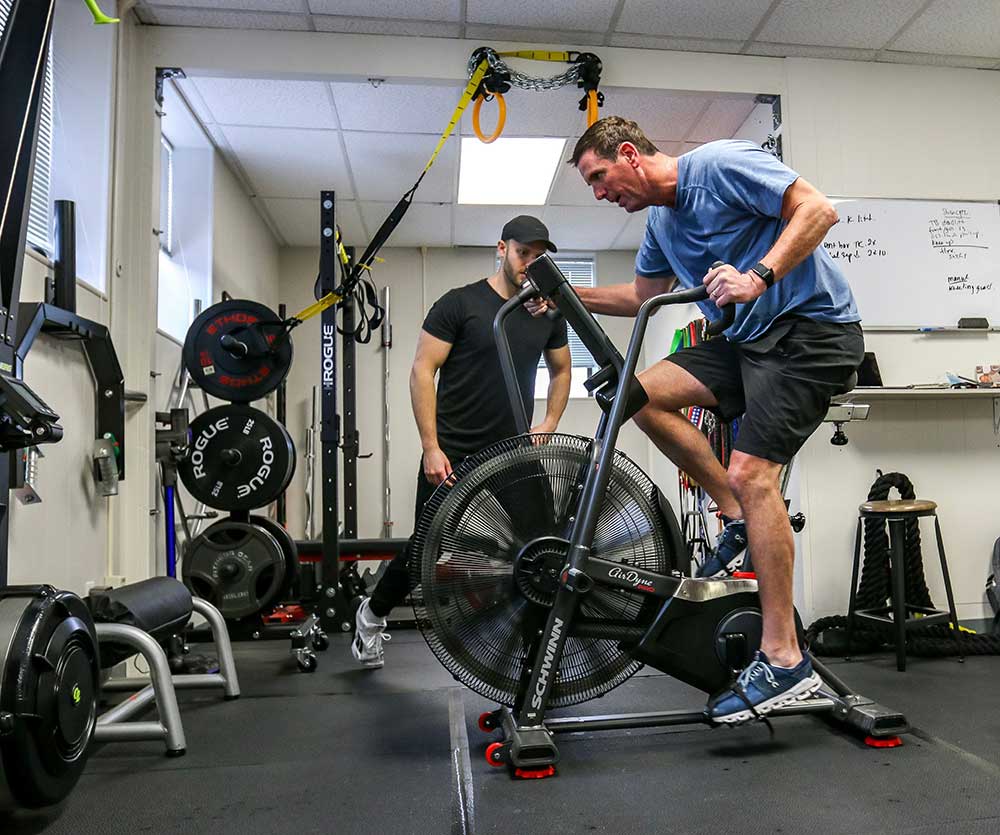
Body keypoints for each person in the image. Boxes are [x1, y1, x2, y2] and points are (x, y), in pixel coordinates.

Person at [561, 116, 863, 723]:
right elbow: (644, 296)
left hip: (811, 333)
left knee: (757, 475)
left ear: (629, 154)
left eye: (599, 178)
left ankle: (784, 660)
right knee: (634, 394)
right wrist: (565, 291)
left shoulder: (718, 165)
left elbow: (819, 210)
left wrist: (758, 275)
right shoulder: (661, 224)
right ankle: (733, 511)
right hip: (747, 342)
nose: (600, 193)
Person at [352, 215, 572, 668]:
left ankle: (532, 652)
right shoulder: (460, 304)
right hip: (454, 449)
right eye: (522, 252)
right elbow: (421, 370)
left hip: (515, 451)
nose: (530, 263)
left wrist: (548, 421)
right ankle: (371, 618)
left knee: (539, 549)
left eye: (538, 255)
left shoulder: (547, 314)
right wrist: (431, 447)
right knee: (423, 552)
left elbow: (563, 370)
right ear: (501, 249)